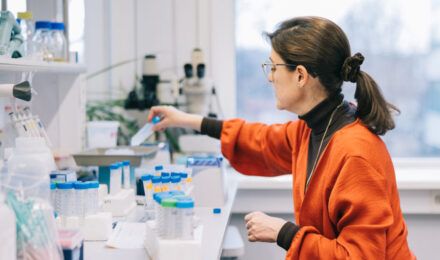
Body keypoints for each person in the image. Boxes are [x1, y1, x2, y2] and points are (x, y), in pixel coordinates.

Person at [148, 16, 415, 260]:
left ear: (300, 75)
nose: (270, 78)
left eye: (274, 67)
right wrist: (185, 119)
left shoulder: (355, 154)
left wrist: (284, 233)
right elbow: (259, 140)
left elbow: (360, 257)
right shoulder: (312, 130)